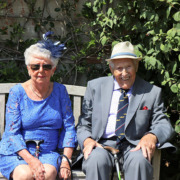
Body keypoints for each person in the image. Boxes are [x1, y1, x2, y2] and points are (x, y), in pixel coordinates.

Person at [76, 41, 175, 180]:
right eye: (119, 68)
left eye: (128, 67)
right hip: (102, 144)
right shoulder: (95, 87)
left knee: (140, 161)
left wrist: (151, 136)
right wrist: (87, 140)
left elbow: (163, 123)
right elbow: (83, 123)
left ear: (136, 66)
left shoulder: (151, 92)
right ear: (112, 69)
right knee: (95, 160)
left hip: (134, 146)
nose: (124, 73)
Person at [0, 32, 76, 180]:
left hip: (48, 153)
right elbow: (12, 134)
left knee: (48, 174)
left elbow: (69, 128)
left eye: (46, 66)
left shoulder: (60, 91)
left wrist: (66, 160)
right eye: (35, 66)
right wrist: (31, 160)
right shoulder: (17, 93)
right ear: (28, 69)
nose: (41, 71)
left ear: (53, 69)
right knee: (25, 175)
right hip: (17, 152)